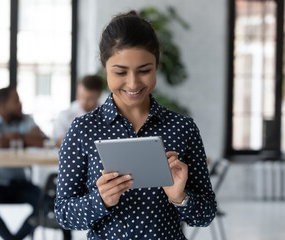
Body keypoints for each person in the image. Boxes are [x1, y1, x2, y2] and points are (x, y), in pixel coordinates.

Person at [55, 11, 217, 239]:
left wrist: (181, 196)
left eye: (144, 71)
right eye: (120, 72)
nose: (133, 83)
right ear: (103, 66)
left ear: (157, 64)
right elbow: (63, 214)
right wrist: (99, 200)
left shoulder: (182, 128)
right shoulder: (83, 130)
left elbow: (206, 214)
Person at [0, 86, 47, 240]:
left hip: (19, 184)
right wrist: (26, 138)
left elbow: (43, 141)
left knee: (47, 201)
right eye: (16, 101)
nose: (20, 104)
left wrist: (14, 136)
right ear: (3, 106)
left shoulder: (25, 119)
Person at [53, 75, 103, 147]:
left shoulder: (105, 115)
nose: (84, 102)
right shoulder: (65, 115)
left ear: (99, 95)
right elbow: (61, 142)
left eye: (90, 98)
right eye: (81, 96)